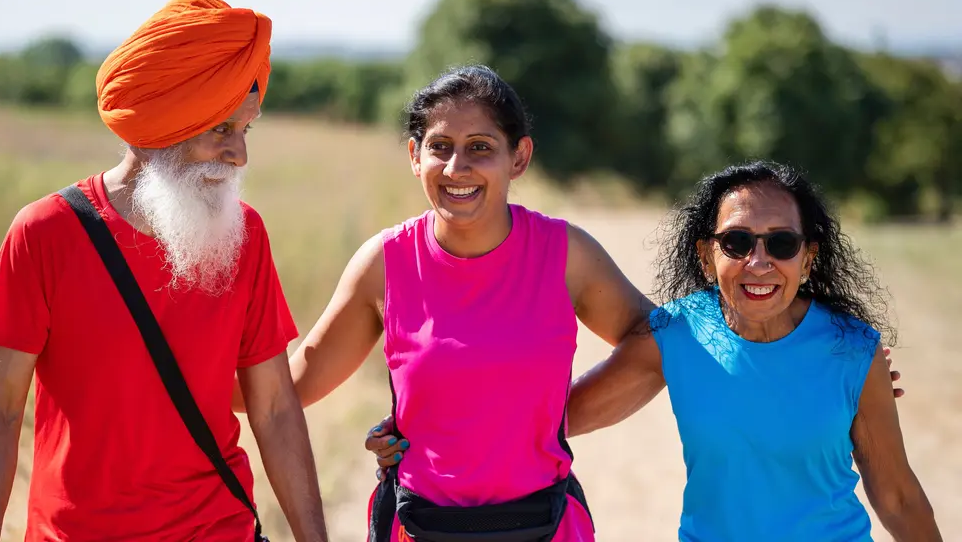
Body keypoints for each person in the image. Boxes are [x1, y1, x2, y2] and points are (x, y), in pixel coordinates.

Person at [370, 161, 938, 540]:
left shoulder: (853, 350)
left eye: (781, 244)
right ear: (706, 254)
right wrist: (413, 429)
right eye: (737, 242)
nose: (758, 262)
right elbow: (546, 418)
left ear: (809, 257)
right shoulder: (680, 334)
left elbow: (897, 495)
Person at [0, 0, 329, 542]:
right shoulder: (44, 233)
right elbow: (0, 407)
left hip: (218, 528)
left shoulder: (245, 234)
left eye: (244, 131)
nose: (240, 156)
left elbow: (273, 407)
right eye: (220, 130)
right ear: (161, 126)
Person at [232, 63, 654, 541]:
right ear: (415, 156)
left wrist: (546, 422)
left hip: (545, 526)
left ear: (519, 157)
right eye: (440, 148)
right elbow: (291, 386)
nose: (457, 168)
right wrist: (175, 375)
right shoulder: (385, 264)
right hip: (419, 528)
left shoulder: (565, 255)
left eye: (480, 147)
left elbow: (656, 344)